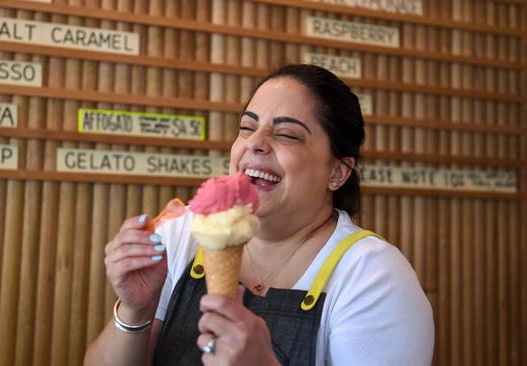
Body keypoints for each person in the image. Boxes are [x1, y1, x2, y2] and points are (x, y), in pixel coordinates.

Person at [84, 64, 434, 366]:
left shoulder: (372, 276)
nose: (255, 142)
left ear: (337, 173)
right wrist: (135, 312)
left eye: (286, 134)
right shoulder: (185, 232)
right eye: (247, 127)